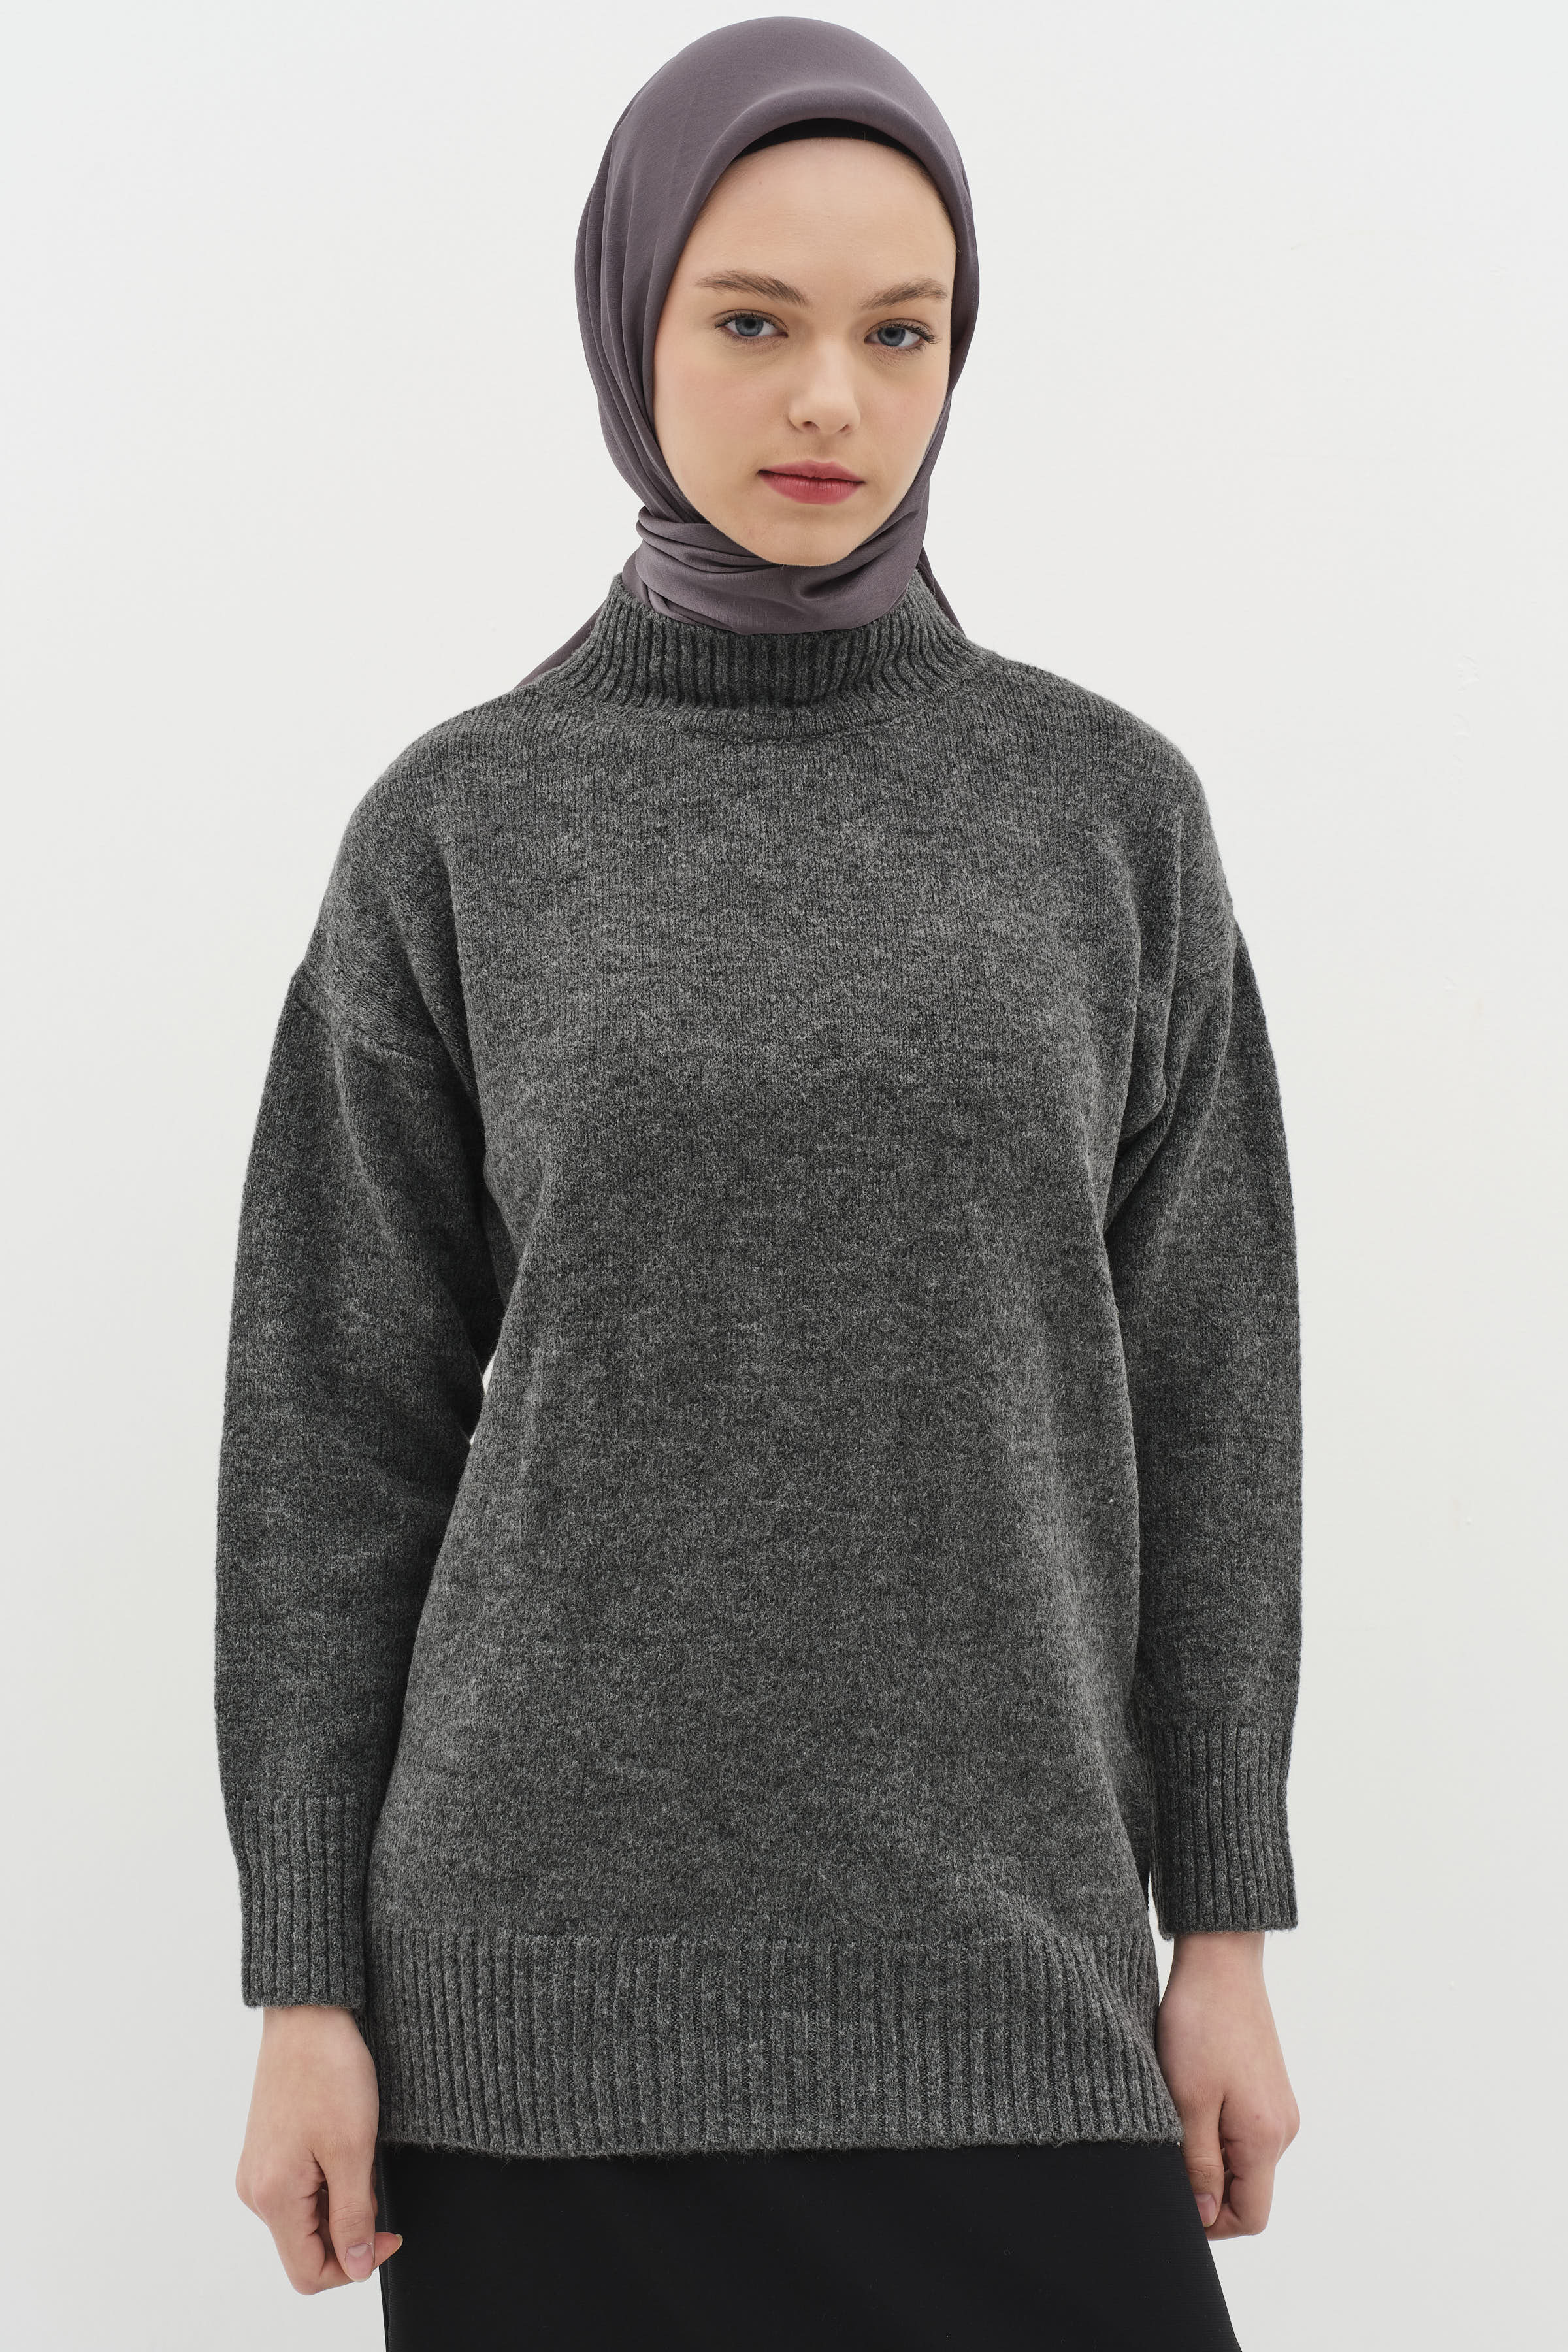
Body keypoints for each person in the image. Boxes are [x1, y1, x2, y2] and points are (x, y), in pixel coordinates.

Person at [216, 18, 1303, 2348]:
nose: (831, 398)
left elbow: (1214, 1405)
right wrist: (305, 1985)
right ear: (632, 328)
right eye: (751, 321)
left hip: (1017, 1984)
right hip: (533, 2024)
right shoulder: (461, 828)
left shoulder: (1107, 817)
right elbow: (330, 1445)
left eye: (901, 334)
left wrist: (1222, 1931)